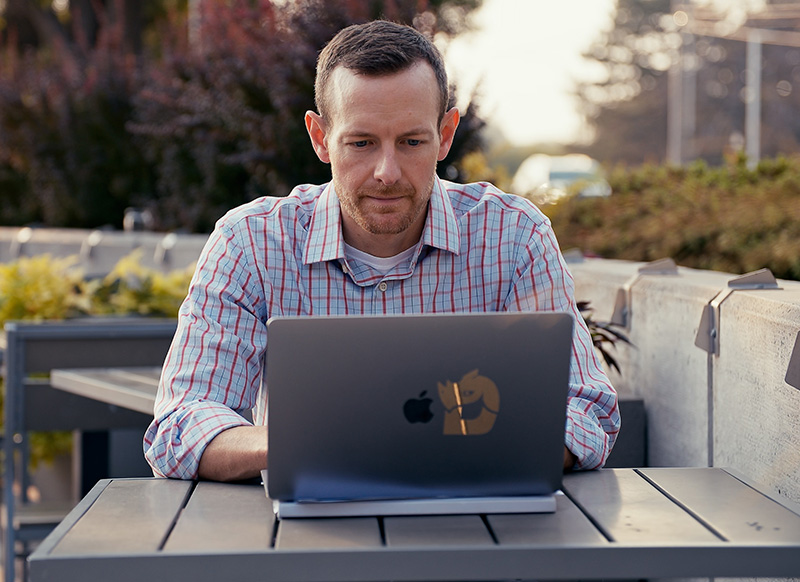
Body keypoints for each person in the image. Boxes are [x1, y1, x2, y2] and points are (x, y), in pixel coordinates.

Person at [144, 20, 620, 482]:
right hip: (312, 545)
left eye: (412, 141)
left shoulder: (514, 236)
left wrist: (429, 450)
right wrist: (304, 442)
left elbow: (585, 410)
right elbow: (181, 424)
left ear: (446, 135)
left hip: (479, 533)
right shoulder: (251, 243)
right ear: (320, 138)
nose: (387, 171)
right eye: (362, 142)